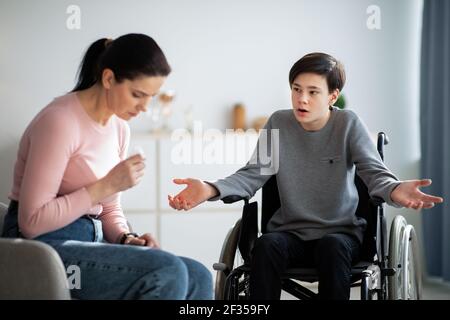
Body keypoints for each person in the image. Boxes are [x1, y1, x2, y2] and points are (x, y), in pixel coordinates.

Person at [168, 52, 444, 300]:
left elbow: (375, 174)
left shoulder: (347, 124)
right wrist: (209, 188)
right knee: (267, 245)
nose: (302, 99)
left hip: (340, 234)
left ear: (333, 96)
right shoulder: (279, 123)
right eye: (296, 89)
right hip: (291, 235)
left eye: (313, 92)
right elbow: (252, 175)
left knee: (332, 247)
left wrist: (395, 190)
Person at [1, 33, 212, 300]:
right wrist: (106, 185)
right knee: (167, 270)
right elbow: (31, 222)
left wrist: (126, 238)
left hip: (91, 240)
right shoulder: (59, 122)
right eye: (137, 95)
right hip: (41, 247)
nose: (144, 108)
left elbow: (109, 208)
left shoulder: (119, 128)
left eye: (151, 97)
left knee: (198, 275)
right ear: (109, 78)